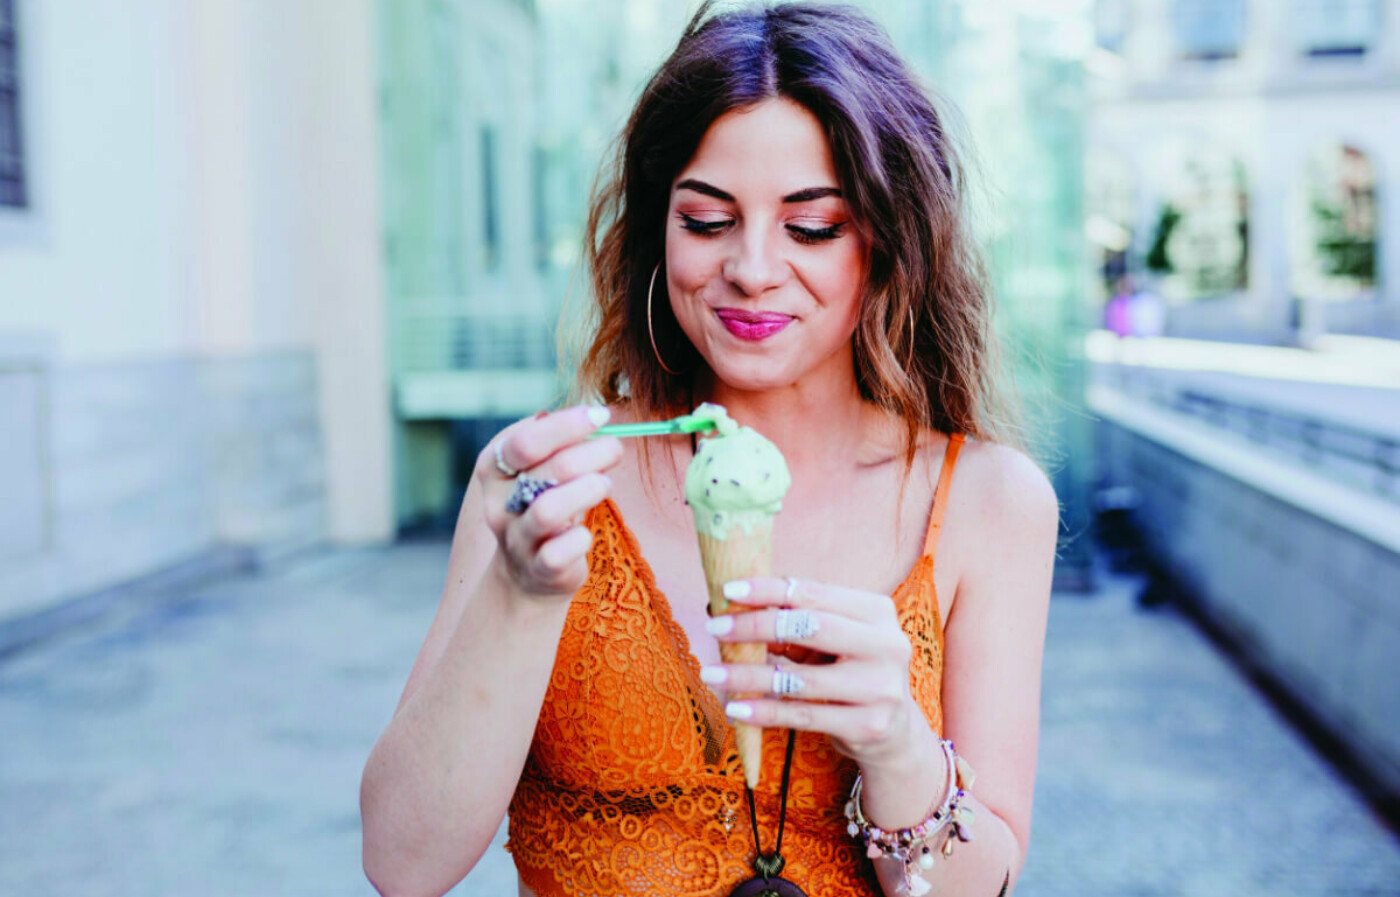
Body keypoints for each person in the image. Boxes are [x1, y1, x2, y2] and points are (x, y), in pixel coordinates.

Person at [360, 4, 1058, 896]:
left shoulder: (989, 502)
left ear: (889, 244)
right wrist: (521, 592)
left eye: (811, 227)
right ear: (657, 231)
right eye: (705, 220)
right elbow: (402, 863)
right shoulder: (551, 481)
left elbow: (982, 885)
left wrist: (898, 746)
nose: (753, 268)